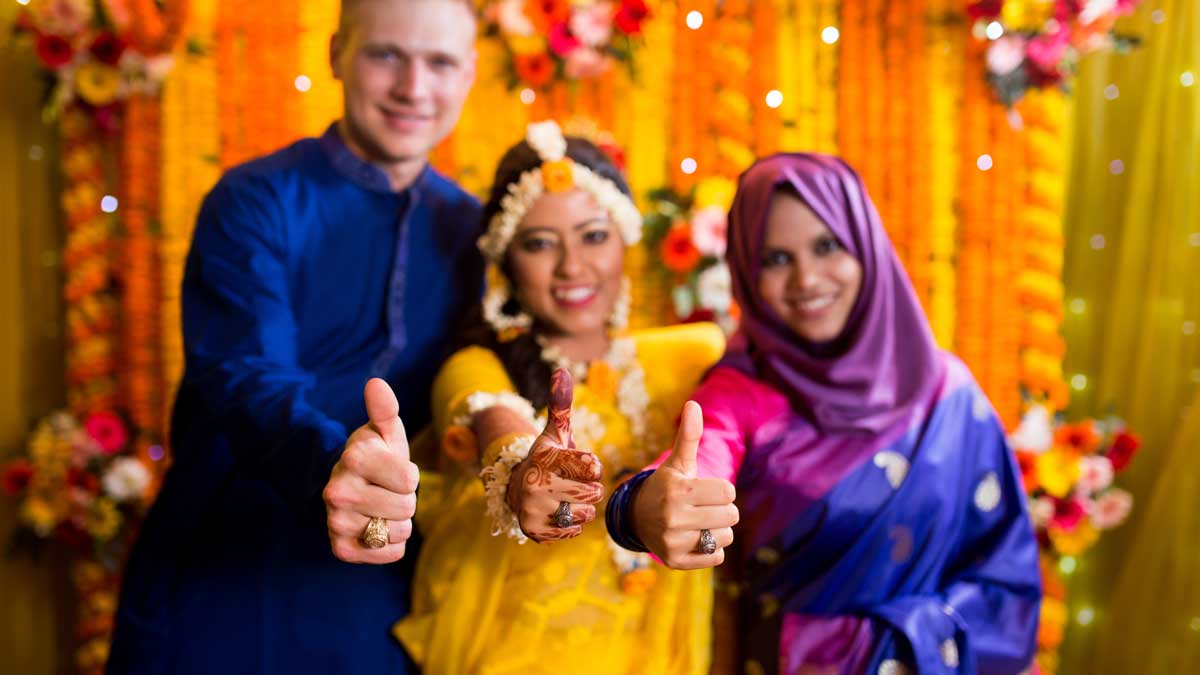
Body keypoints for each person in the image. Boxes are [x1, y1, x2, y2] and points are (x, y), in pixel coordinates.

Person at [107, 1, 479, 673]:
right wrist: (336, 464)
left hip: (382, 589)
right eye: (386, 54)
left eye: (441, 62)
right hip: (223, 570)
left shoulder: (474, 227)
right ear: (337, 54)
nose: (413, 88)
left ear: (471, 74)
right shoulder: (254, 200)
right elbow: (250, 378)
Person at [606, 154, 1042, 674]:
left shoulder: (948, 394)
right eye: (775, 259)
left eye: (827, 246)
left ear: (866, 246)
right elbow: (700, 460)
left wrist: (905, 651)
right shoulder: (743, 391)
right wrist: (640, 507)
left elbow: (1006, 578)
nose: (807, 279)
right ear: (746, 269)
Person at [390, 121, 725, 674]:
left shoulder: (688, 362)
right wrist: (523, 472)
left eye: (593, 236)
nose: (572, 266)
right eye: (540, 243)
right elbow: (491, 417)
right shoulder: (475, 366)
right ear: (506, 263)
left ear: (624, 239)